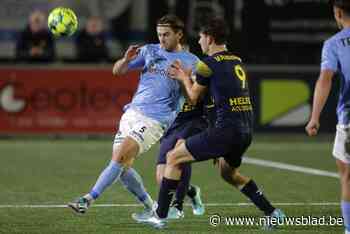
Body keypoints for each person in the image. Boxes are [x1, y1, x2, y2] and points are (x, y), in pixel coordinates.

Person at [135, 17, 285, 229]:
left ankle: (160, 216)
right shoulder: (237, 59)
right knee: (228, 173)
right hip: (245, 130)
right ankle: (272, 212)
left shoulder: (207, 65)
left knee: (173, 157)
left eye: (201, 37)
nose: (199, 41)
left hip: (226, 130)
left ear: (210, 38)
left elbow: (194, 97)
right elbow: (223, 98)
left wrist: (183, 77)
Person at [67, 14, 199, 217]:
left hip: (155, 120)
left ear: (179, 34)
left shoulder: (192, 62)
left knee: (119, 158)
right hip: (131, 114)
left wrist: (182, 79)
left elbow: (193, 100)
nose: (161, 39)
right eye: (159, 34)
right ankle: (150, 206)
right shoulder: (149, 51)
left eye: (166, 35)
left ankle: (87, 199)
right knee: (122, 169)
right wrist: (125, 60)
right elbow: (117, 71)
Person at [306, 1, 350, 233]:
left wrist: (314, 117)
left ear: (338, 13)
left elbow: (325, 79)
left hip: (349, 119)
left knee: (347, 177)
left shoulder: (334, 44)